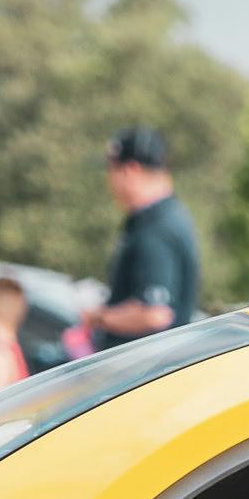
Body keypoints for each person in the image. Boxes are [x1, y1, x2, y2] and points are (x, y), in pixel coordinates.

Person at [87, 128, 200, 349]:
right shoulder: (167, 217)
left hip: (147, 371)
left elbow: (154, 313)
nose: (109, 181)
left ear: (131, 170)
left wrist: (98, 318)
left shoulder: (156, 228)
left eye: (112, 171)